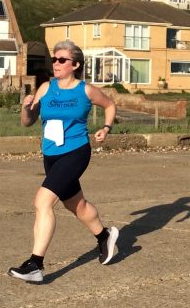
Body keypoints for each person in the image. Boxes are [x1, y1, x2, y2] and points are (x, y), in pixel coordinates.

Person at [8, 40, 119, 283]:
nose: (55, 64)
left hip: (76, 152)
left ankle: (35, 264)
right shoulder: (46, 88)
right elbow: (28, 121)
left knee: (42, 202)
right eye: (54, 59)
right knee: (76, 205)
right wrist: (26, 108)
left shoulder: (86, 91)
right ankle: (105, 236)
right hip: (51, 154)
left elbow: (110, 104)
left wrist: (106, 128)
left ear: (75, 65)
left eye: (61, 60)